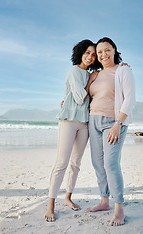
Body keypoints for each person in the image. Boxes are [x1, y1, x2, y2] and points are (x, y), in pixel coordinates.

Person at [45, 39, 100, 222]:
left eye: (93, 54)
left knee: (76, 164)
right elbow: (80, 98)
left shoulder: (93, 74)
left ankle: (68, 197)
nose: (90, 57)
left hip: (84, 122)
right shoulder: (74, 71)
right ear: (80, 53)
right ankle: (50, 205)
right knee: (61, 163)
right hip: (68, 121)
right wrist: (91, 80)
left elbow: (95, 98)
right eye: (87, 53)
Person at [86, 37, 136, 226]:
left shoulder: (123, 70)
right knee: (98, 163)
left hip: (113, 123)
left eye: (107, 50)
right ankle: (104, 201)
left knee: (111, 164)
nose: (103, 55)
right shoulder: (95, 74)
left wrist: (117, 124)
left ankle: (119, 209)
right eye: (99, 52)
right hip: (93, 122)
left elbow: (130, 99)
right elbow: (83, 96)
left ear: (114, 50)